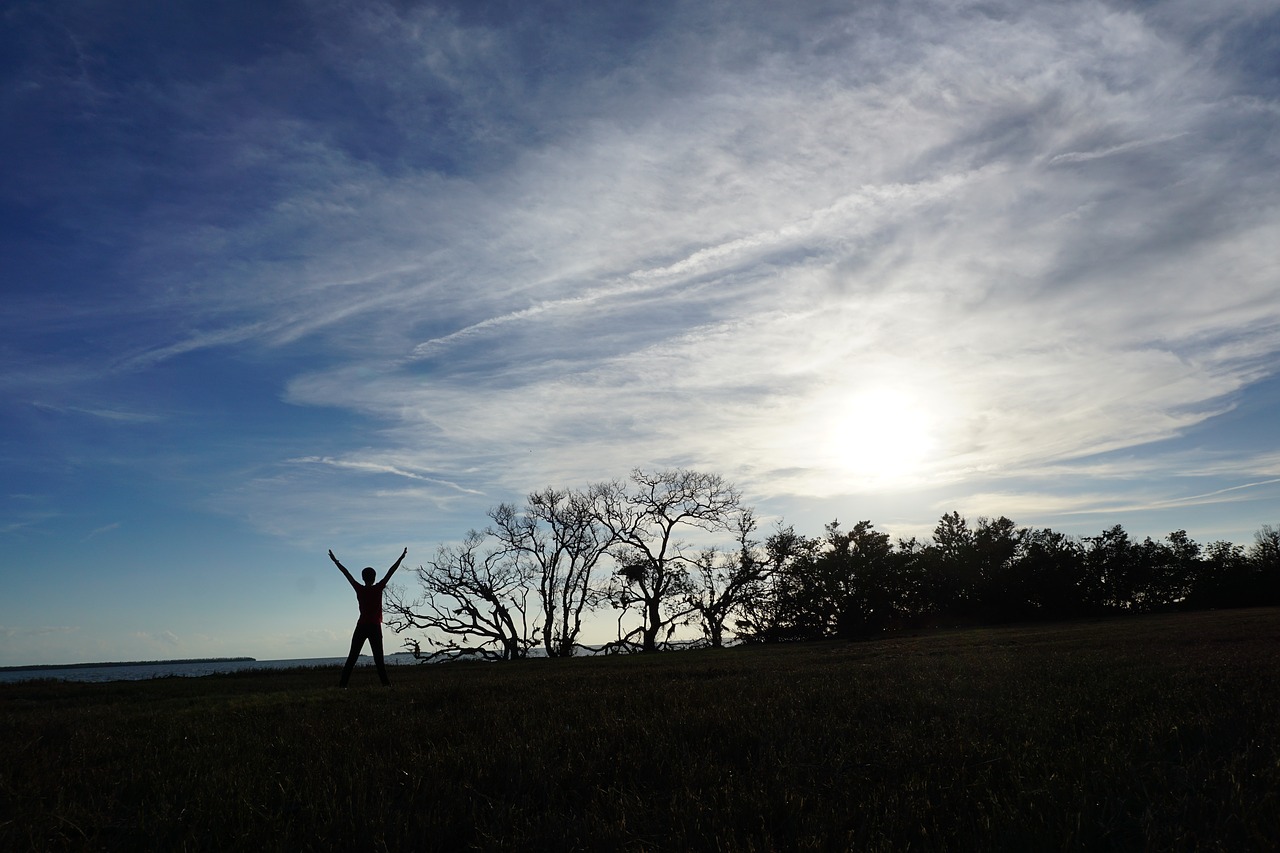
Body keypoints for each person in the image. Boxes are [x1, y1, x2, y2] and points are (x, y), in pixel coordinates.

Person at [329, 547, 407, 687]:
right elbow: (391, 571)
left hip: (362, 626)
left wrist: (336, 561)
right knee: (379, 659)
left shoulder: (360, 588)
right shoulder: (378, 588)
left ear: (363, 578)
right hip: (374, 627)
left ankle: (342, 686)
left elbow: (346, 574)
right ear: (374, 577)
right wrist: (401, 558)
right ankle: (386, 685)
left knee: (352, 657)